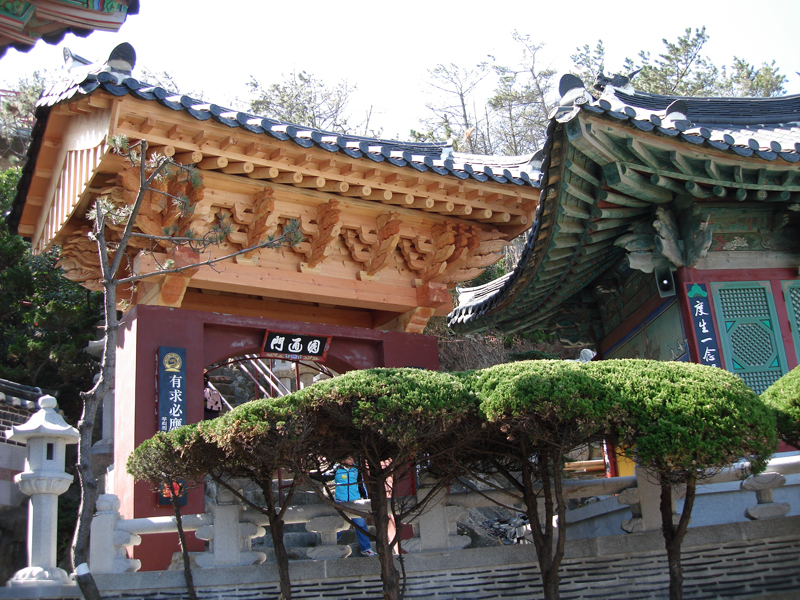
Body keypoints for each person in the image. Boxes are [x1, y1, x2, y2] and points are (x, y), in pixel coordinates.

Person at [314, 457, 376, 556]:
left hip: (355, 502)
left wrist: (365, 499)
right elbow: (325, 477)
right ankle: (335, 543)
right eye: (349, 459)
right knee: (337, 524)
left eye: (352, 459)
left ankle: (366, 549)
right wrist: (310, 475)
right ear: (343, 460)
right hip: (341, 502)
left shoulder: (356, 469)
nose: (352, 461)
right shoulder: (337, 469)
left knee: (361, 525)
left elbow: (361, 484)